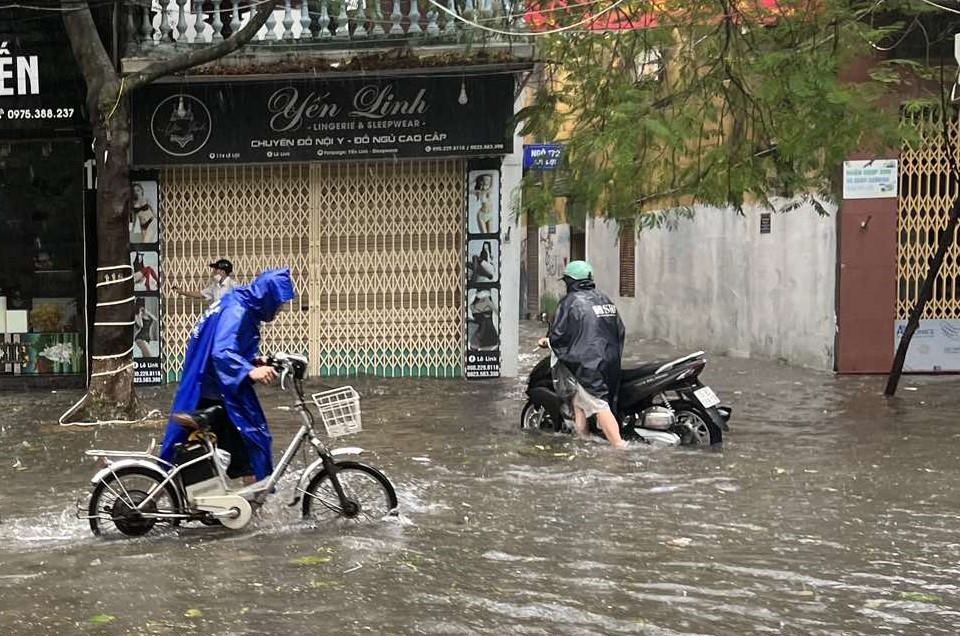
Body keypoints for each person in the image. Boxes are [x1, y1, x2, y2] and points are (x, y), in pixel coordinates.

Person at [159, 268, 296, 484]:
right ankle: (256, 508)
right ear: (267, 297)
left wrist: (255, 362)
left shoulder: (236, 301)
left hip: (208, 384)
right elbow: (222, 352)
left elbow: (226, 347)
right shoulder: (237, 310)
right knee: (251, 442)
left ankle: (252, 506)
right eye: (278, 303)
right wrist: (250, 370)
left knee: (237, 452)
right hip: (217, 391)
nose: (279, 309)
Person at [538, 260, 626, 449]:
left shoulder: (570, 302)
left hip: (587, 365)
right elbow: (620, 330)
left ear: (570, 281)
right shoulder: (604, 299)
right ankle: (583, 440)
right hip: (609, 361)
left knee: (598, 404)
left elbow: (559, 334)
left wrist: (548, 341)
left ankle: (620, 448)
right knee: (579, 403)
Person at [173, 258, 238, 305]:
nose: (213, 272)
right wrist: (183, 292)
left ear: (223, 272)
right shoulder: (215, 286)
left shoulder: (233, 286)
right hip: (218, 318)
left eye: (216, 270)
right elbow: (200, 294)